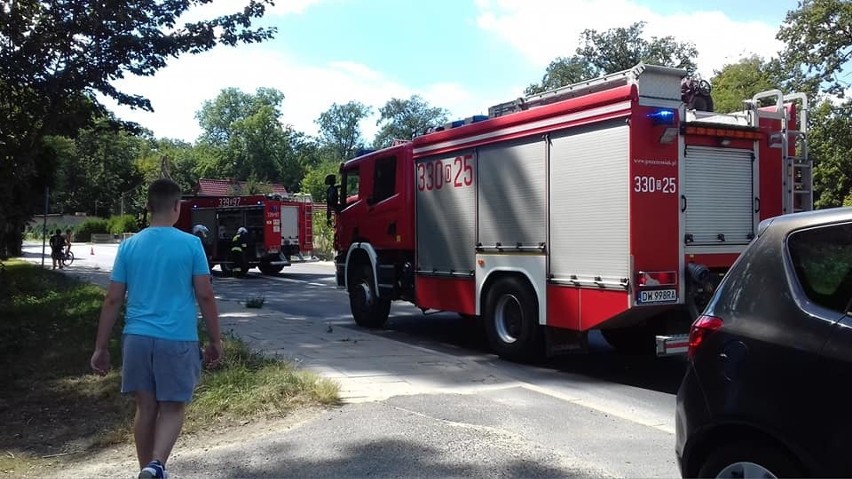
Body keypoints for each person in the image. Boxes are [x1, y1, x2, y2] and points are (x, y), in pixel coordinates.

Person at [90, 179, 223, 479]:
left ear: (148, 208)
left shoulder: (129, 245)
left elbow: (112, 299)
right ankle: (157, 464)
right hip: (176, 339)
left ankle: (147, 471)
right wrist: (215, 340)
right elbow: (205, 295)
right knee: (173, 408)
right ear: (178, 206)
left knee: (146, 408)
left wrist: (100, 347)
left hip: (136, 338)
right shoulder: (191, 244)